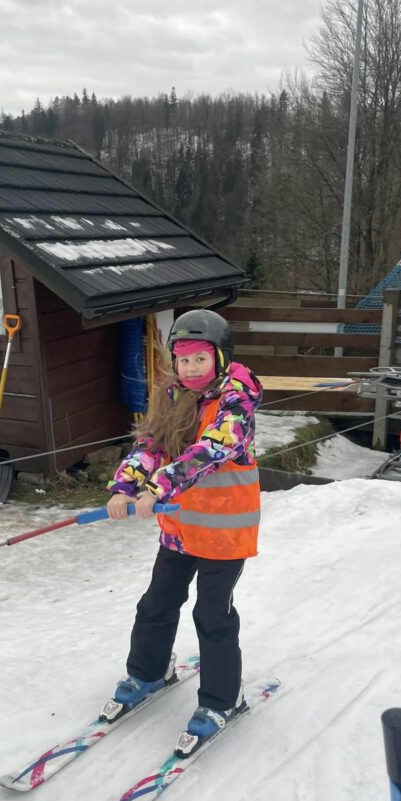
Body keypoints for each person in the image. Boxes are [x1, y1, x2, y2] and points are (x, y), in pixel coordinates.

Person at [105, 309, 262, 749]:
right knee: (156, 603)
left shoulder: (237, 401)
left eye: (200, 359)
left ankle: (223, 699)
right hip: (179, 528)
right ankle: (149, 672)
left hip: (224, 532)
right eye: (183, 359)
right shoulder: (173, 395)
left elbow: (211, 449)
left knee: (212, 615)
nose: (190, 368)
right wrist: (125, 485)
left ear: (220, 358)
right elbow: (151, 444)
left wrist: (158, 486)